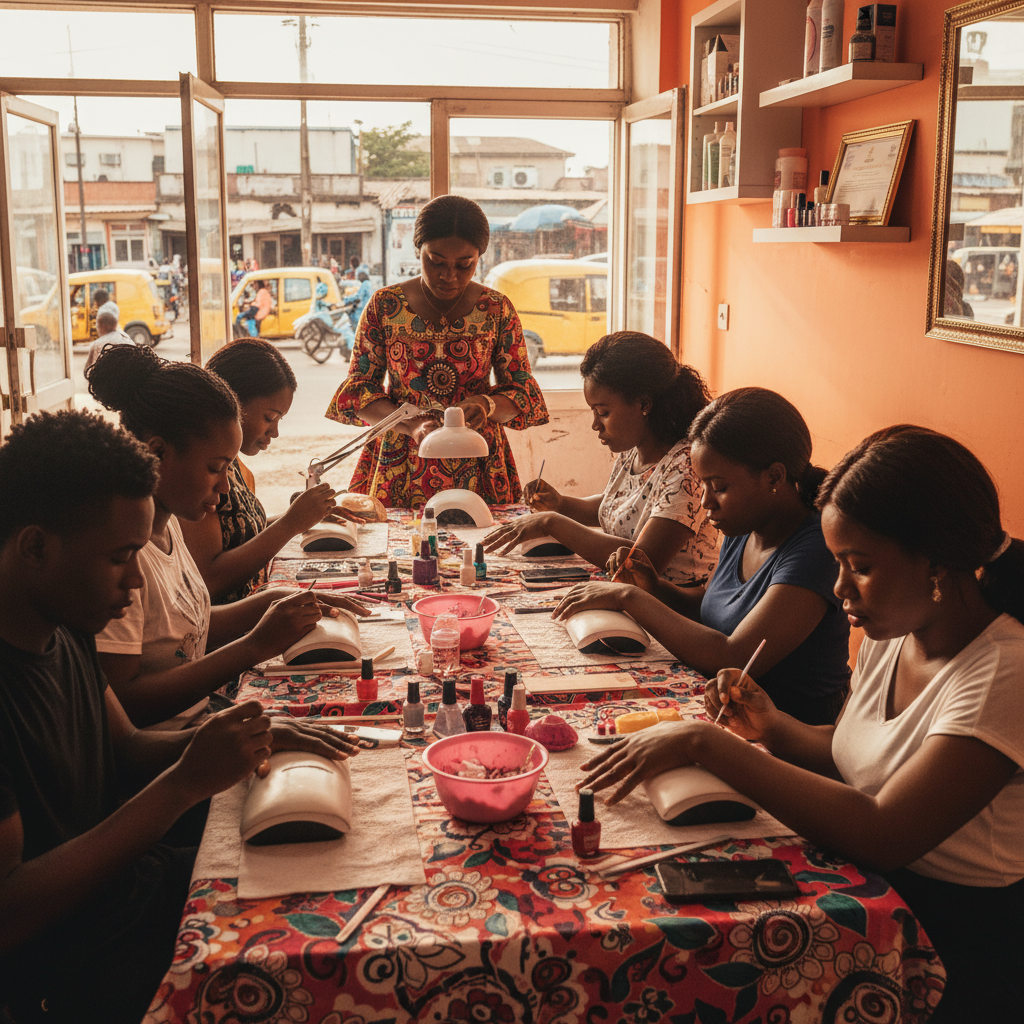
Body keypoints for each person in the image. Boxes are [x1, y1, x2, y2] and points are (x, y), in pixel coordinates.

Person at [579, 425, 1024, 1022]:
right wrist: (773, 728)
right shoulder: (896, 633)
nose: (839, 587)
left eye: (858, 567)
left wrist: (707, 744)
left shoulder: (1004, 673)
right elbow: (855, 758)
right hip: (861, 888)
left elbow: (885, 830)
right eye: (838, 563)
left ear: (937, 566)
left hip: (941, 938)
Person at [0, 409, 360, 1024]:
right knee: (335, 966)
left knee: (340, 873)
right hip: (80, 960)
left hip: (132, 890)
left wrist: (239, 741)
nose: (136, 584)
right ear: (36, 545)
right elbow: (11, 913)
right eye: (119, 559)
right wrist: (185, 784)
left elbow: (126, 748)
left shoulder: (63, 629)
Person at [86, 344, 365, 729]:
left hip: (202, 718)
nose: (227, 488)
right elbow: (128, 705)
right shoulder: (122, 561)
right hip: (172, 742)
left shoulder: (167, 526)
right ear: (156, 453)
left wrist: (274, 602)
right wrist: (254, 646)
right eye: (216, 468)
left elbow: (188, 632)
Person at [554, 387, 850, 724]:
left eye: (719, 487)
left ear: (774, 476)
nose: (706, 502)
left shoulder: (815, 551)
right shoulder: (747, 525)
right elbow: (713, 608)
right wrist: (654, 586)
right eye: (704, 485)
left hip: (794, 734)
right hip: (732, 714)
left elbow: (733, 656)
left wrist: (630, 597)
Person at [325, 194, 549, 508]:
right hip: (401, 459)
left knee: (483, 549)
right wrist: (410, 424)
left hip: (478, 462)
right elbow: (358, 393)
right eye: (436, 261)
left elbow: (523, 393)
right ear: (419, 249)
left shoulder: (496, 309)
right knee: (399, 553)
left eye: (464, 264)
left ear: (479, 256)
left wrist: (486, 405)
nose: (449, 275)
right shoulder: (385, 306)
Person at [482, 332, 719, 585]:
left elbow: (642, 562)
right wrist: (560, 504)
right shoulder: (634, 451)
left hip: (672, 605)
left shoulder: (686, 468)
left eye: (603, 412)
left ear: (644, 404)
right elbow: (617, 508)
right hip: (629, 592)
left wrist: (552, 523)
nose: (595, 424)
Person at [179, 338, 360, 603]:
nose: (275, 432)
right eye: (269, 418)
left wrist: (303, 515)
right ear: (233, 402)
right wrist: (291, 524)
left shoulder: (235, 466)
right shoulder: (202, 475)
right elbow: (208, 581)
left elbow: (243, 534)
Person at [84, 300, 135, 372]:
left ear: (102, 325)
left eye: (97, 325)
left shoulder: (97, 345)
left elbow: (87, 371)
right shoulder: (127, 339)